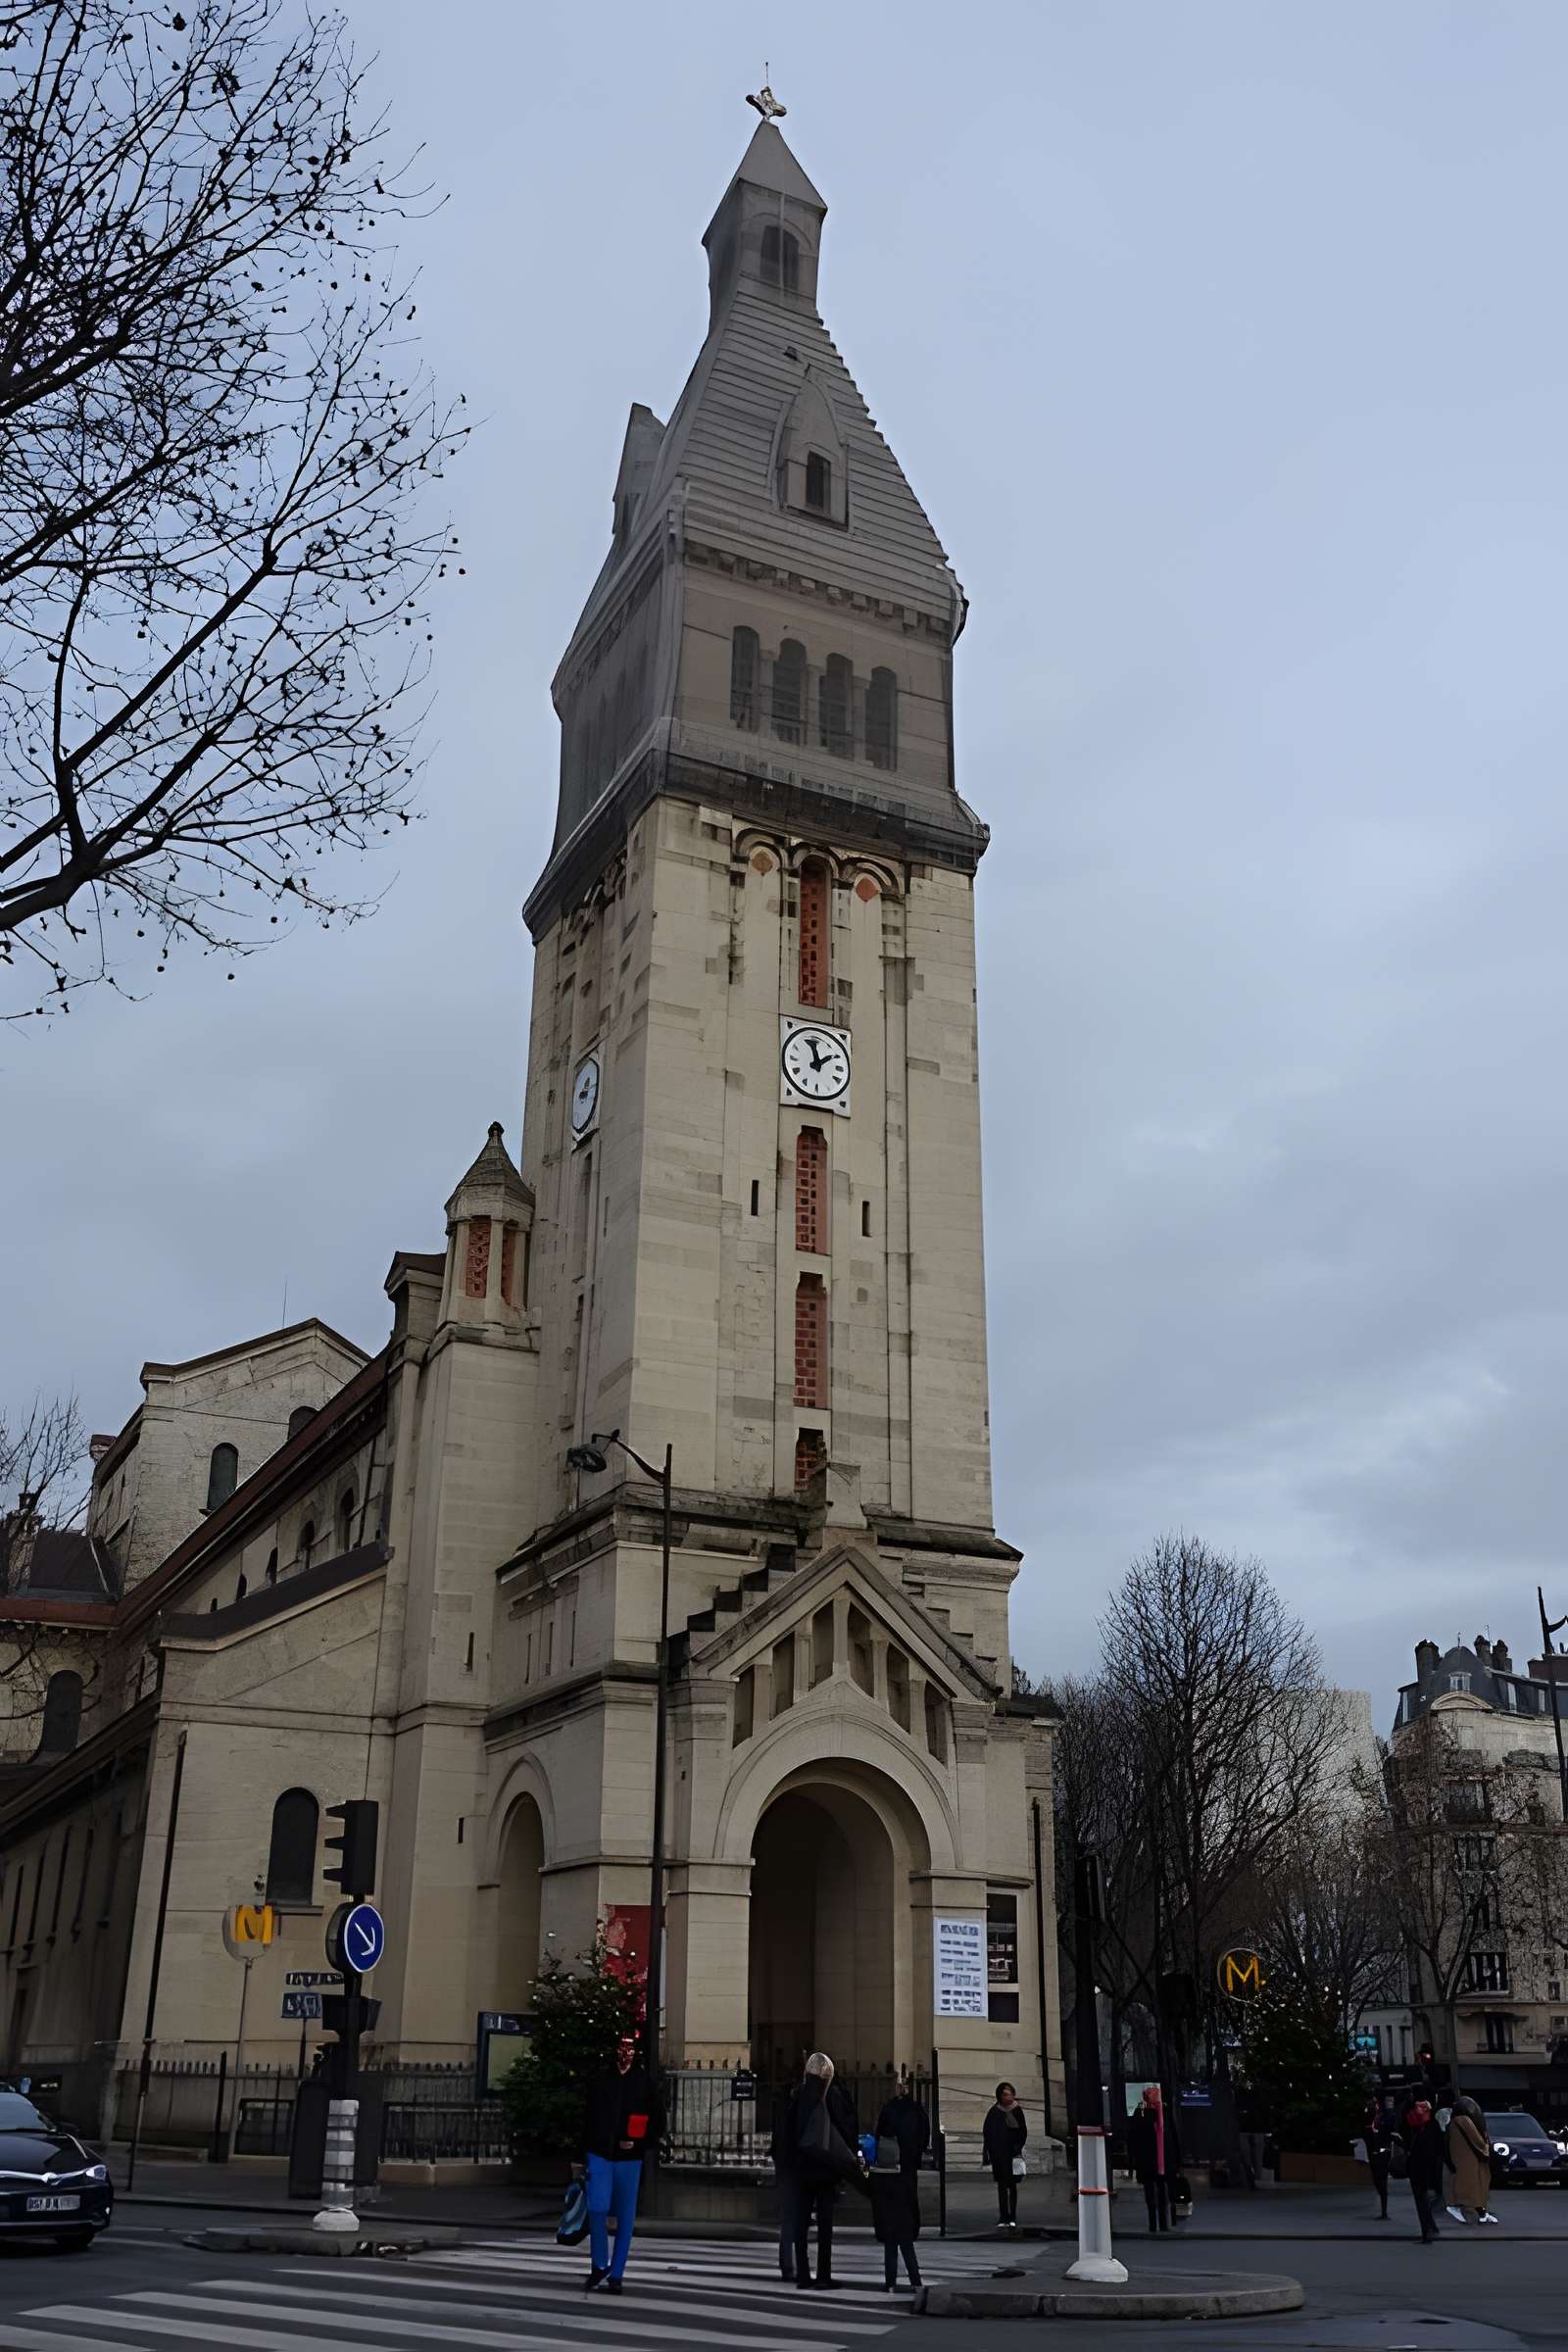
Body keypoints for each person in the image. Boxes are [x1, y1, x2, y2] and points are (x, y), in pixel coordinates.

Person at [578, 2034, 664, 2294]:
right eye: (621, 2048)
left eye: (630, 2048)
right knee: (597, 2208)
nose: (625, 2053)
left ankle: (615, 2274)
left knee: (625, 2216)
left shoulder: (644, 2083)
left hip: (629, 2156)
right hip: (600, 2152)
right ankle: (600, 2264)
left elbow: (658, 2121)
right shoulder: (601, 2079)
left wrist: (638, 2142)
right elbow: (587, 2117)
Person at [788, 2051, 863, 2289]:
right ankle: (823, 2274)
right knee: (825, 2225)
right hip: (825, 2168)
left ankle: (803, 2274)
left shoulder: (798, 2095)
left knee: (801, 2224)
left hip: (802, 2168)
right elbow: (844, 2128)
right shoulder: (831, 2096)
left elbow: (788, 2132)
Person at [865, 2138, 923, 2292]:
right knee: (908, 2252)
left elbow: (868, 2187)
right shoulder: (905, 2178)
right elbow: (912, 2201)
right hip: (904, 2221)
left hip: (886, 2221)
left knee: (890, 2252)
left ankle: (890, 2283)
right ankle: (916, 2282)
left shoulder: (876, 2179)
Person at [1127, 2083, 1181, 2233]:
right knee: (1157, 2192)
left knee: (1155, 2192)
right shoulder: (1155, 2113)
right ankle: (1159, 2225)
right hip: (1156, 2159)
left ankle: (1157, 2225)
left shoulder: (1148, 2113)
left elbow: (1133, 2138)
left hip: (1152, 2160)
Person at [1401, 2097, 1449, 2244]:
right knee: (1424, 2201)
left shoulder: (1424, 2129)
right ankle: (1431, 2228)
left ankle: (1426, 2233)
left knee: (1422, 2202)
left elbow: (1428, 2151)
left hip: (1421, 2170)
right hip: (1426, 2170)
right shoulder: (1430, 2127)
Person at [983, 2082, 1028, 2229]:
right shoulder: (994, 2112)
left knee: (1012, 2186)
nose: (1008, 2097)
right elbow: (988, 2133)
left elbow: (1022, 2132)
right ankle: (1003, 2216)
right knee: (1002, 2186)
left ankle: (1012, 2216)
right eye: (1005, 2094)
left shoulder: (1016, 2110)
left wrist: (1017, 2147)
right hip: (999, 2155)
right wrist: (990, 2151)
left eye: (1010, 2094)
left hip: (1012, 2154)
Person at [1446, 2095, 1496, 2226]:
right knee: (1472, 2183)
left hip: (1464, 2156)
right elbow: (1478, 2140)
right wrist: (1486, 2146)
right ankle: (1458, 2206)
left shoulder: (1455, 2121)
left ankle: (1481, 2213)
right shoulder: (1463, 2120)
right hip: (1469, 2157)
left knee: (1473, 2183)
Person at [769, 2075, 801, 2280]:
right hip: (795, 2167)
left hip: (784, 2166)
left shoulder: (781, 2109)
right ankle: (793, 2265)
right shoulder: (798, 2110)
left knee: (787, 2220)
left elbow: (776, 2141)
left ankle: (787, 2265)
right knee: (795, 2220)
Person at [1363, 2094, 1393, 2220]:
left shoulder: (1385, 2116)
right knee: (1377, 2178)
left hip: (1382, 2150)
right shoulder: (1375, 2116)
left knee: (1381, 2178)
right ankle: (1383, 2209)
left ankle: (1384, 2210)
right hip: (1376, 2150)